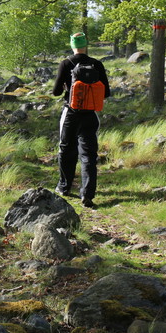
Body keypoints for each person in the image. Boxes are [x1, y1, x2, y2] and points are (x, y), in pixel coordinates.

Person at [52, 32, 110, 208]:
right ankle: (87, 194)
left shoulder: (66, 63)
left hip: (70, 114)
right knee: (88, 155)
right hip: (90, 115)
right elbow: (106, 93)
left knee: (66, 150)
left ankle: (64, 187)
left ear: (72, 45)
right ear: (86, 45)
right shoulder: (97, 64)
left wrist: (66, 88)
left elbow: (55, 92)